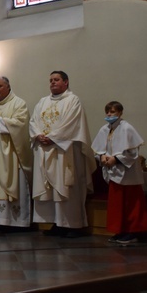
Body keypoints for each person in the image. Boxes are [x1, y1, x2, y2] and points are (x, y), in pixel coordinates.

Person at [30, 70, 96, 238]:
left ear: (66, 82)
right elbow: (33, 122)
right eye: (51, 80)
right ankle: (57, 224)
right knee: (50, 189)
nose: (52, 82)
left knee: (66, 186)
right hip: (45, 150)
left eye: (56, 79)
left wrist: (52, 138)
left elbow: (71, 124)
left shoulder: (73, 101)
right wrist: (38, 135)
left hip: (64, 151)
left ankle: (74, 225)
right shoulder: (42, 102)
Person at [91, 101, 147, 245]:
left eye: (112, 112)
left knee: (131, 204)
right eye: (107, 112)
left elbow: (132, 152)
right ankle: (120, 231)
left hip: (128, 173)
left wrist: (116, 159)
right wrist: (102, 157)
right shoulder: (105, 129)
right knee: (117, 205)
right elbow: (98, 149)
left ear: (120, 113)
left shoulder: (127, 128)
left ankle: (132, 232)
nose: (109, 115)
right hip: (114, 173)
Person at [0, 77, 33, 232]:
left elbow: (21, 125)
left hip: (11, 156)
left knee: (12, 182)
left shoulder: (18, 103)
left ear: (8, 87)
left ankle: (16, 222)